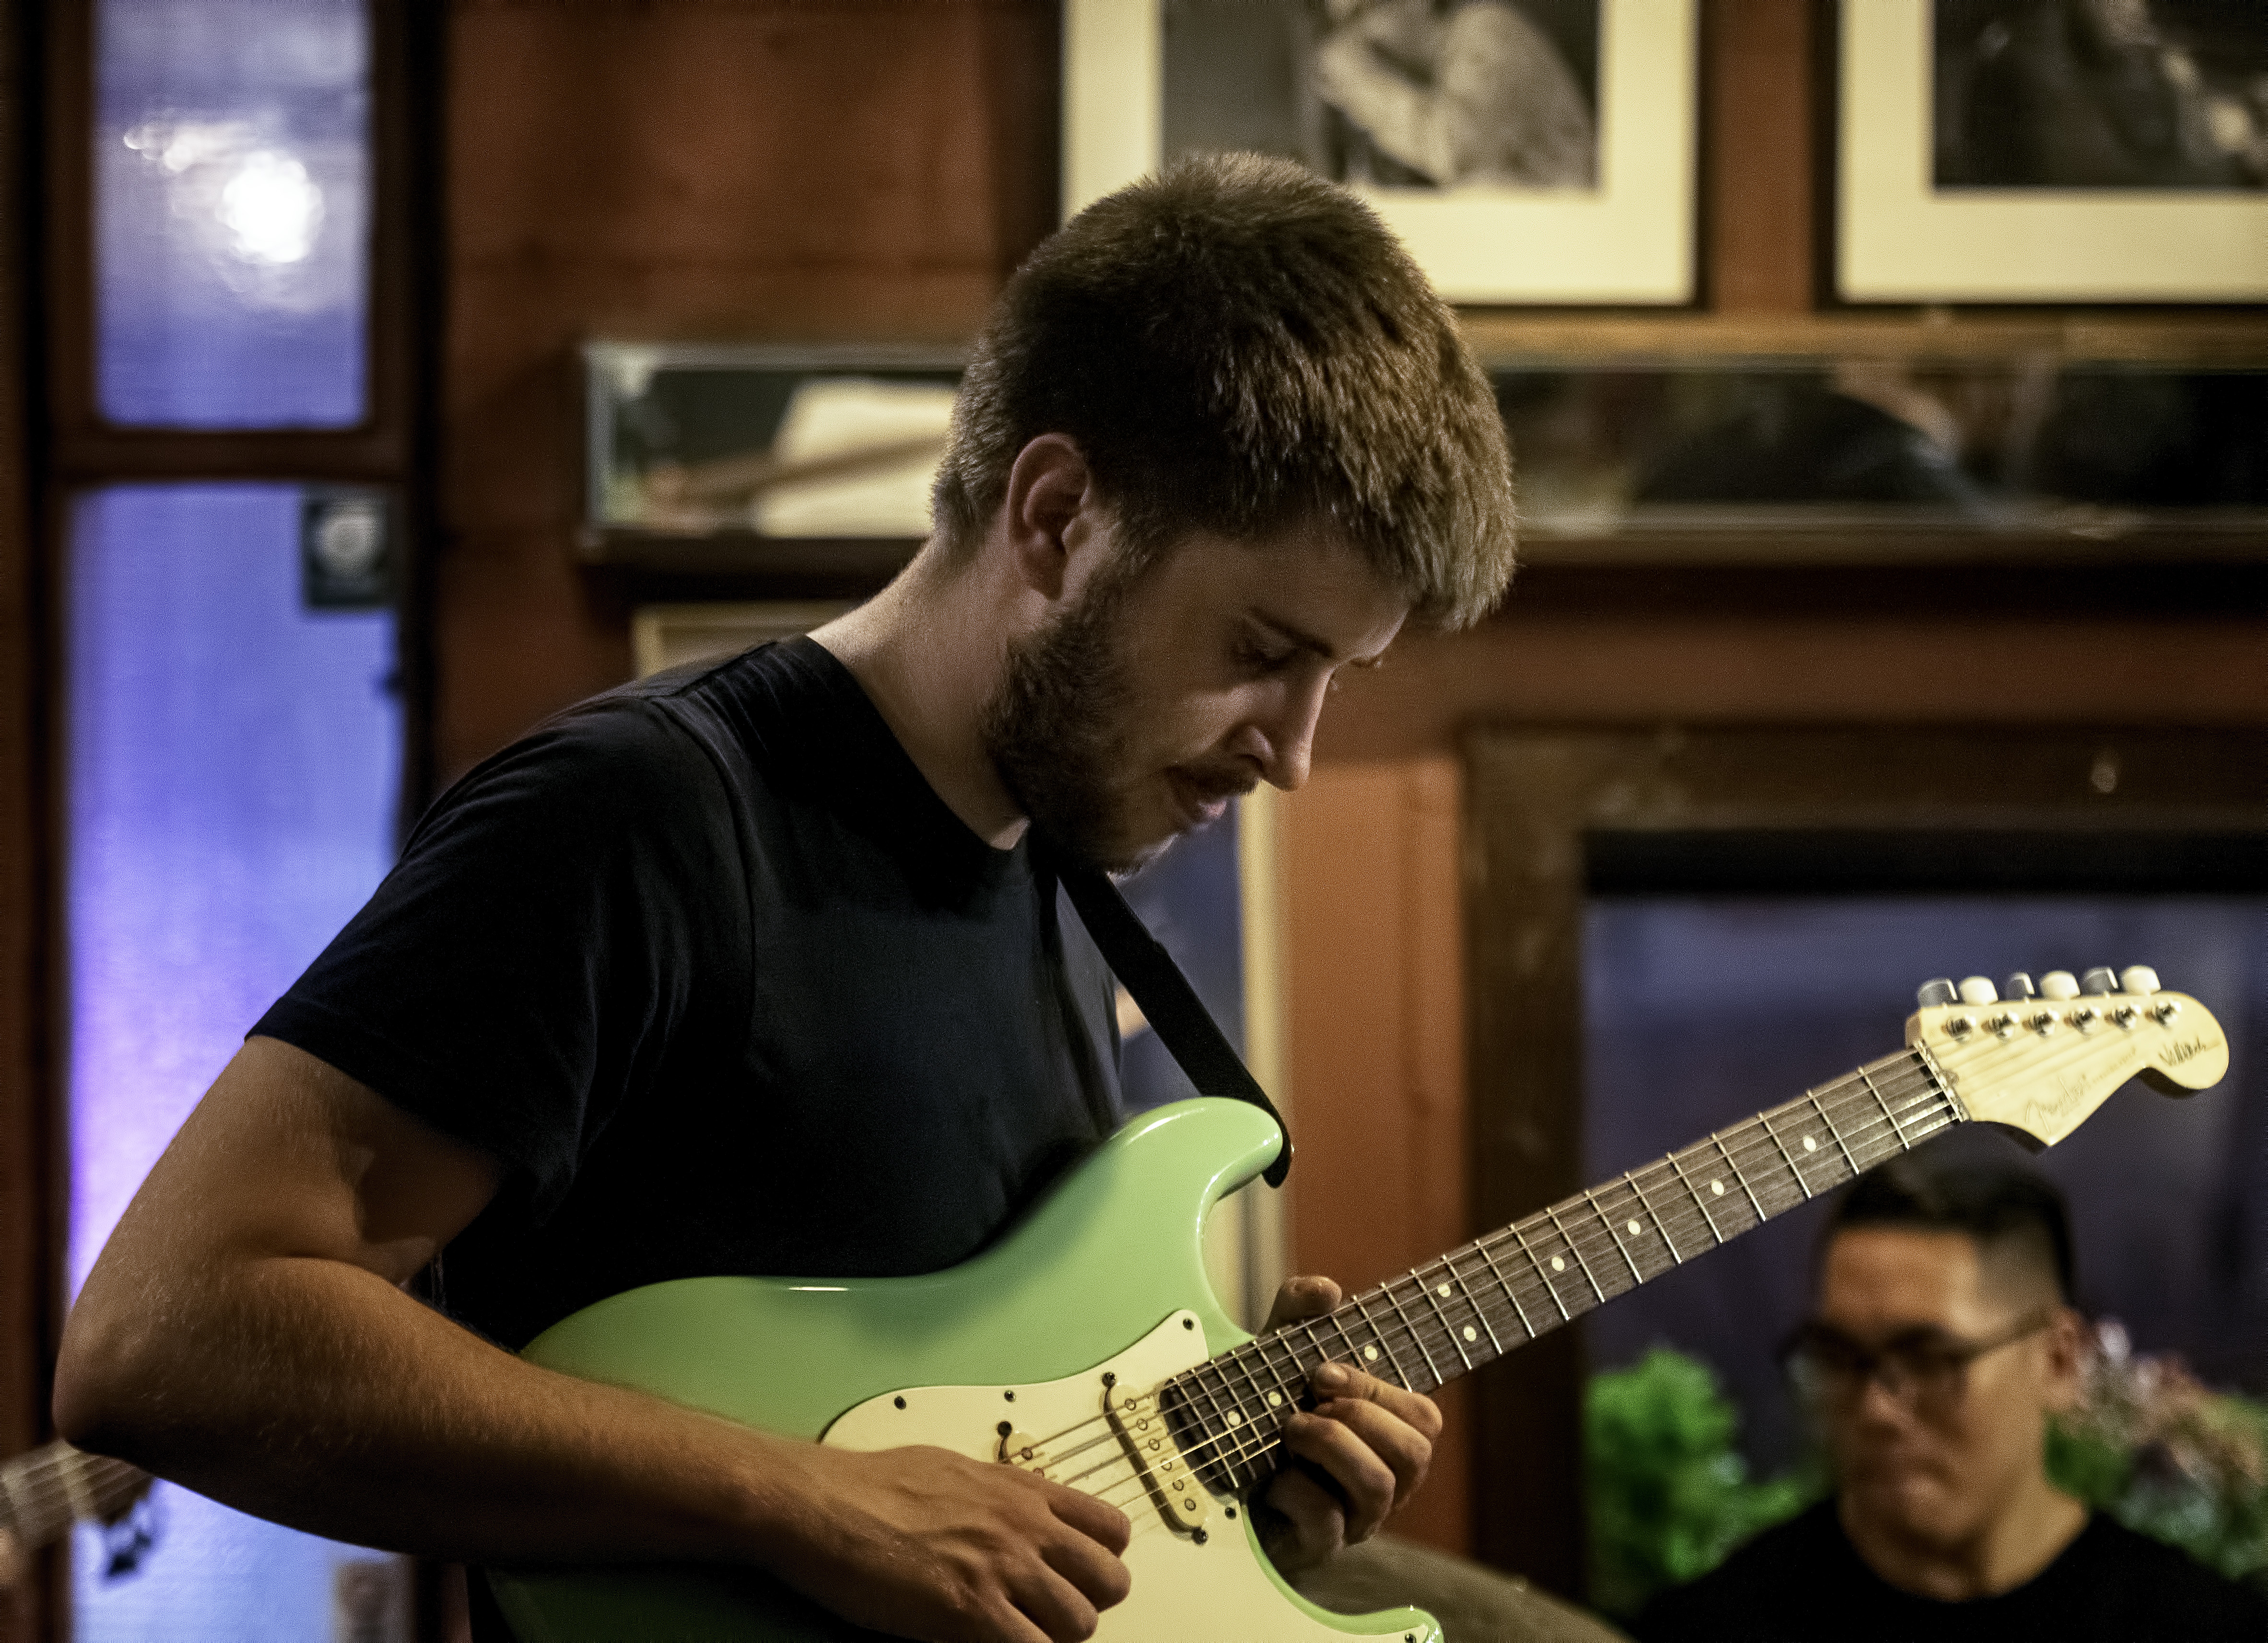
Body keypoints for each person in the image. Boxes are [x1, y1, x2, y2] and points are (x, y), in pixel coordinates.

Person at [51, 152, 1520, 1643]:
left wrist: (1211, 1490)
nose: (1293, 750)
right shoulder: (643, 815)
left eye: (1337, 676)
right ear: (1059, 515)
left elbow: (953, 1461)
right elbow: (168, 1332)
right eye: (1264, 648)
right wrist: (801, 1496)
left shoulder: (1067, 889)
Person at [1634, 1159, 2268, 1643]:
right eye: (1838, 1356)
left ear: (2057, 1359)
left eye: (1929, 1359)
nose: (1875, 1408)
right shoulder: (1712, 1627)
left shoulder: (2197, 1626)